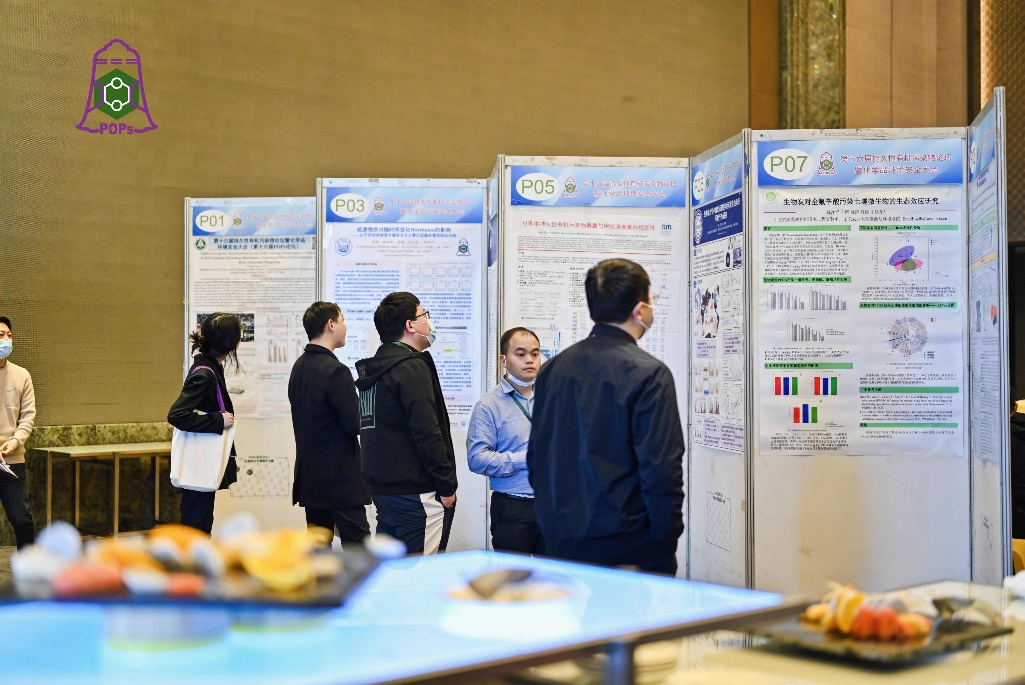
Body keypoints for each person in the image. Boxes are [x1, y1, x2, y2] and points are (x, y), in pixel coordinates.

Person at [527, 258, 685, 575]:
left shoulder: (553, 370)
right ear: (639, 309)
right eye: (651, 298)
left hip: (560, 541)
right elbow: (661, 468)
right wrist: (665, 538)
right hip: (630, 547)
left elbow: (538, 457)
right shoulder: (650, 374)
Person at [354, 292, 457, 555]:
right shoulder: (410, 367)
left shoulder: (377, 368)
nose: (428, 322)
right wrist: (446, 485)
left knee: (392, 569)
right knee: (422, 571)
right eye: (424, 315)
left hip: (384, 490)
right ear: (410, 325)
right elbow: (427, 431)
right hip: (417, 492)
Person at [289, 302, 371, 545]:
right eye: (342, 320)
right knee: (359, 550)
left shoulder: (299, 366)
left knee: (318, 549)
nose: (345, 327)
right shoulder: (336, 371)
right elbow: (355, 424)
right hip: (340, 480)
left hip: (311, 479)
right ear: (331, 325)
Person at [467, 327, 545, 554]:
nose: (529, 360)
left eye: (535, 353)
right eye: (520, 354)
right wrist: (526, 459)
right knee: (513, 574)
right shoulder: (488, 405)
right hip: (513, 508)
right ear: (503, 360)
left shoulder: (553, 397)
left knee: (554, 574)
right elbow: (477, 459)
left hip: (553, 505)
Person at [167, 313, 241, 534]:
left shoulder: (208, 368)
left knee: (199, 524)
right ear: (232, 344)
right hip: (200, 464)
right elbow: (177, 415)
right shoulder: (205, 374)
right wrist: (217, 420)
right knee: (197, 528)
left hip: (200, 463)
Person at [0, 316, 36, 548]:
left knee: (22, 519)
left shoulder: (22, 375)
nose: (6, 340)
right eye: (0, 335)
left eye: (9, 335)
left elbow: (28, 416)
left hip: (11, 460)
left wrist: (14, 442)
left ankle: (28, 563)